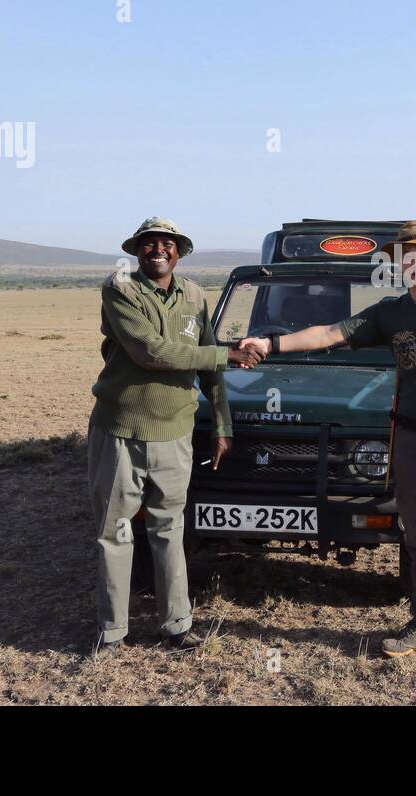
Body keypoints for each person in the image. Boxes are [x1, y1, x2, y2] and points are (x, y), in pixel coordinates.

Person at [242, 221, 416, 674]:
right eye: (408, 256)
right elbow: (328, 333)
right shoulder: (389, 314)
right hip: (408, 442)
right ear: (399, 265)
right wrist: (271, 343)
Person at [87, 216, 263, 659]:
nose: (158, 250)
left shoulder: (195, 295)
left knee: (170, 528)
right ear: (136, 251)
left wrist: (221, 423)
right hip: (120, 430)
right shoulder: (121, 288)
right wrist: (228, 351)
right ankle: (112, 632)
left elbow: (209, 368)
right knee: (116, 531)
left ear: (179, 252)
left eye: (167, 244)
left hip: (176, 433)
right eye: (149, 244)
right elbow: (151, 352)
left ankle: (176, 626)